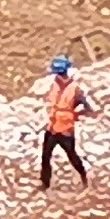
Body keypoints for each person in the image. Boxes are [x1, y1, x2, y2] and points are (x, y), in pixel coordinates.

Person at [39, 58, 89, 188]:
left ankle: (84, 176)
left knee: (72, 155)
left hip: (66, 128)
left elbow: (86, 106)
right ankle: (45, 184)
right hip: (52, 126)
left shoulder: (74, 88)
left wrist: (77, 114)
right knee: (45, 156)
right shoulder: (54, 84)